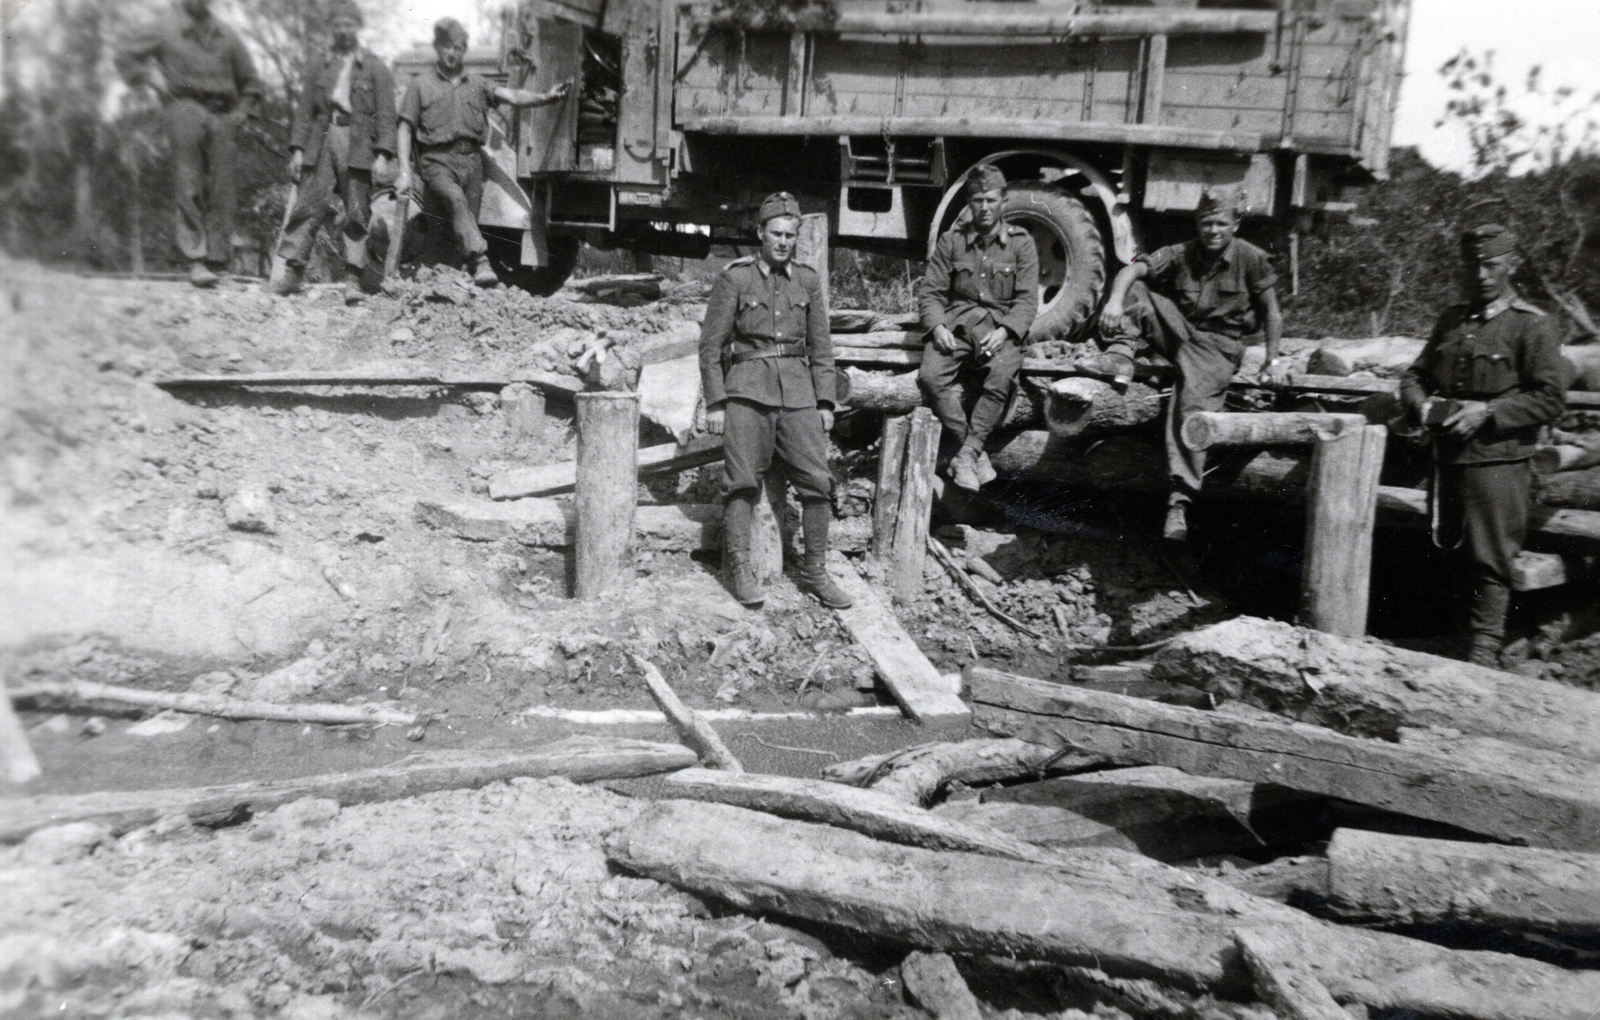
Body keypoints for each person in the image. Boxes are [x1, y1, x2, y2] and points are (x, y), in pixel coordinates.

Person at [1400, 222, 1567, 666]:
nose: (1481, 274)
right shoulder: (1452, 320)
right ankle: (1453, 640)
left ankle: (1484, 650)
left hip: (1498, 459)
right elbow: (1416, 374)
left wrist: (1488, 413)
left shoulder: (1531, 326)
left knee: (1490, 555)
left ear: (1512, 266)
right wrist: (1420, 406)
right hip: (1447, 455)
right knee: (1446, 547)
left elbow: (1550, 397)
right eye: (1473, 265)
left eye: (1491, 265)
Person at [1080, 189, 1286, 541]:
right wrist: (1114, 302)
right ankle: (1121, 355)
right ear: (1197, 224)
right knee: (1137, 290)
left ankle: (1180, 500)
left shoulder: (1250, 259)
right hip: (1180, 331)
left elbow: (1272, 312)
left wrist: (1273, 359)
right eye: (1206, 223)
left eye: (1221, 222)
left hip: (1219, 347)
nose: (1213, 230)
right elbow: (1133, 270)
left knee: (1190, 404)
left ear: (1235, 224)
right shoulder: (1181, 252)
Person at [699, 193, 852, 611]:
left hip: (799, 392)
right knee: (741, 482)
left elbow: (822, 347)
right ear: (761, 234)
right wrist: (716, 402)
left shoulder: (806, 280)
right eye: (776, 234)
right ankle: (740, 569)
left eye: (790, 235)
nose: (783, 242)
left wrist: (825, 401)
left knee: (818, 482)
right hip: (746, 390)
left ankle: (815, 571)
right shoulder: (736, 279)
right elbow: (711, 347)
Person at [395, 18, 570, 287]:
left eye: (459, 48)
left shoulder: (478, 84)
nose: (454, 53)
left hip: (472, 162)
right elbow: (405, 128)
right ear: (437, 48)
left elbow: (513, 96)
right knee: (455, 201)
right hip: (437, 161)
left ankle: (447, 281)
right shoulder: (420, 85)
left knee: (460, 226)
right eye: (448, 47)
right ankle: (481, 260)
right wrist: (405, 172)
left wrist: (546, 97)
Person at [116, 0, 263, 288]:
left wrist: (241, 113)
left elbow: (251, 82)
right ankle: (196, 260)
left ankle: (219, 265)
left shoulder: (226, 33)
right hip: (183, 108)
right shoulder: (164, 27)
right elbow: (125, 57)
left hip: (223, 113)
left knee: (223, 190)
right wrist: (150, 79)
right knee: (189, 182)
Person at [915, 165, 1039, 492]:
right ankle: (974, 452)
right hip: (958, 325)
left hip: (1000, 329)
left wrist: (1005, 333)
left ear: (1004, 202)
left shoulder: (1021, 243)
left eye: (991, 200)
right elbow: (931, 293)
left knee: (1001, 377)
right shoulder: (952, 241)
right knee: (930, 376)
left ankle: (966, 454)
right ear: (968, 203)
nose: (984, 208)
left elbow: (1027, 301)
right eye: (977, 200)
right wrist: (937, 326)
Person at [274, 0, 397, 303]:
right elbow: (304, 111)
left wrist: (382, 154)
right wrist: (298, 150)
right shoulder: (319, 65)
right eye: (338, 25)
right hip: (322, 137)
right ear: (332, 28)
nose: (343, 31)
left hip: (357, 142)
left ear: (357, 28)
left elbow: (386, 114)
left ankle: (353, 279)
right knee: (308, 205)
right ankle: (293, 271)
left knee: (356, 210)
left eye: (348, 25)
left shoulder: (374, 66)